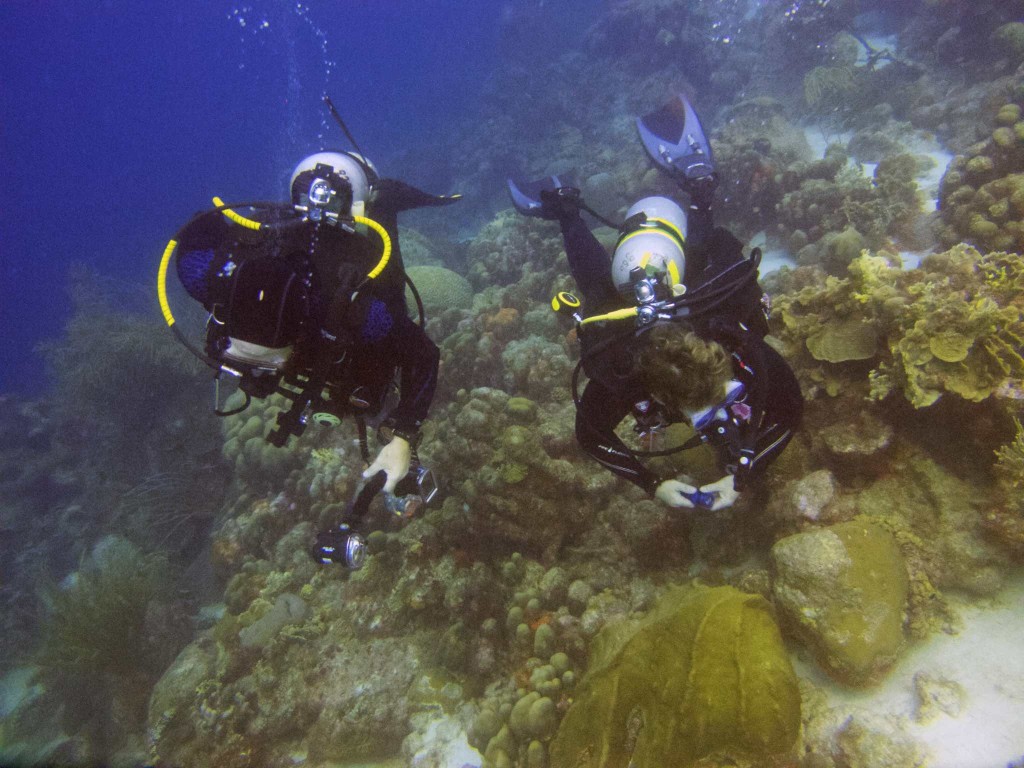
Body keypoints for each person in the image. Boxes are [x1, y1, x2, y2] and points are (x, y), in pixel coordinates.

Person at [508, 94, 802, 511]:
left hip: (693, 297)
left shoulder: (733, 340)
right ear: (660, 397)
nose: (717, 417)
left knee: (694, 264)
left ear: (721, 361)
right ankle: (672, 194)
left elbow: (790, 408)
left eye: (721, 399)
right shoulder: (624, 374)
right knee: (603, 288)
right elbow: (590, 435)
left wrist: (739, 477)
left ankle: (572, 209)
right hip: (642, 313)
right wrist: (654, 483)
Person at [160, 138, 459, 502]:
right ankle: (379, 202)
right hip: (335, 287)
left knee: (386, 281)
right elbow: (422, 354)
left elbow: (191, 246)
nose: (262, 351)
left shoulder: (221, 281)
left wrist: (234, 229)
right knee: (387, 290)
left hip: (312, 264)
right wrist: (403, 437)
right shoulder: (349, 312)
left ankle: (381, 203)